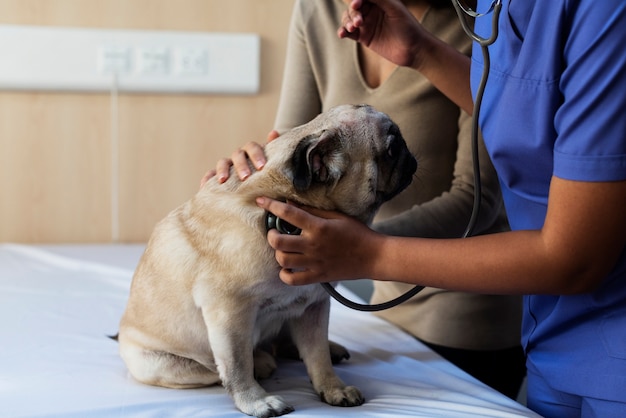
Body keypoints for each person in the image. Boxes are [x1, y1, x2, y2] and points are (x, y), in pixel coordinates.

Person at [250, 0, 626, 416]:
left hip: (606, 348)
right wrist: (253, 173)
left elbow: (574, 256)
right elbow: (529, 112)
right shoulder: (493, 10)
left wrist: (368, 252)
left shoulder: (601, 15)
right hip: (551, 336)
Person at [206, 0, 526, 399]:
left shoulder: (481, 24)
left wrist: (356, 249)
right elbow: (295, 157)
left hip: (461, 317)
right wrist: (250, 173)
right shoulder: (318, 10)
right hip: (379, 310)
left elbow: (475, 202)